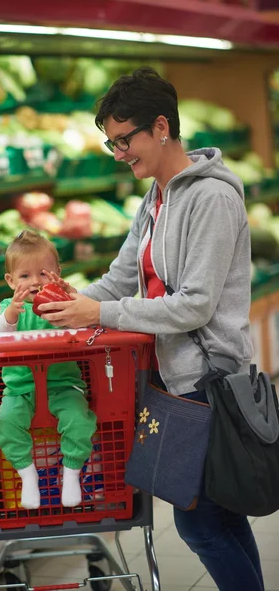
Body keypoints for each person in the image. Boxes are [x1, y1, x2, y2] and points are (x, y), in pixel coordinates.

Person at [36, 67, 264, 591]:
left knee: (200, 522)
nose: (119, 154)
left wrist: (102, 315)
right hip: (176, 381)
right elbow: (119, 279)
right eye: (110, 144)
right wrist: (61, 299)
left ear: (161, 126)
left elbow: (195, 307)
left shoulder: (212, 198)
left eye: (124, 140)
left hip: (209, 381)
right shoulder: (156, 197)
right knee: (220, 517)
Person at [0, 230, 97, 510]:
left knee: (79, 419)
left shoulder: (61, 304)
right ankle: (27, 475)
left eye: (43, 273)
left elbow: (80, 328)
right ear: (11, 281)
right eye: (25, 276)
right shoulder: (10, 308)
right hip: (20, 388)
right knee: (6, 422)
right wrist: (12, 311)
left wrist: (69, 297)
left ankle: (72, 472)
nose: (35, 281)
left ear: (57, 274)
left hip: (62, 384)